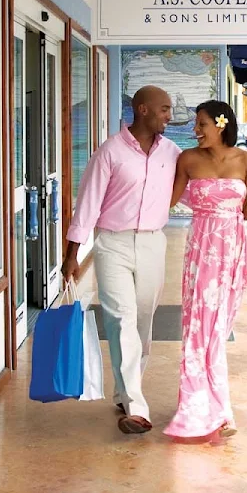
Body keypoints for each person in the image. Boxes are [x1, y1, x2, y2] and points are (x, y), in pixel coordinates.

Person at [61, 85, 179, 435]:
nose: (169, 116)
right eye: (164, 109)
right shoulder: (109, 153)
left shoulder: (172, 152)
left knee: (143, 321)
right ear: (142, 110)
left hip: (153, 244)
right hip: (112, 244)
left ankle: (125, 391)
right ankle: (136, 406)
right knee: (121, 319)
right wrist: (72, 255)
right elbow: (87, 205)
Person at [163, 100, 247, 441]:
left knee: (219, 329)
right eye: (196, 125)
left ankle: (215, 406)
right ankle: (202, 408)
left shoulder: (246, 160)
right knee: (198, 327)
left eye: (201, 124)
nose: (195, 130)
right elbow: (168, 201)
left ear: (221, 124)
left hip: (232, 252)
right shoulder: (187, 159)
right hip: (201, 250)